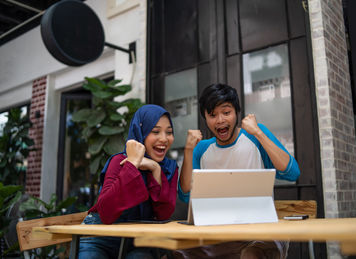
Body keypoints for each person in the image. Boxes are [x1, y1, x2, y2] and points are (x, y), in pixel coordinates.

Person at [176, 83, 300, 259]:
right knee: (177, 255)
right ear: (205, 117)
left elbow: (292, 172)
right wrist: (188, 151)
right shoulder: (201, 149)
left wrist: (258, 132)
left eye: (226, 113)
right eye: (212, 115)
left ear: (237, 112)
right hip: (221, 236)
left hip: (263, 232)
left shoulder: (254, 136)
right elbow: (186, 195)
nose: (220, 120)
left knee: (251, 254)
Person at [78, 104, 178, 259]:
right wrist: (132, 164)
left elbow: (163, 215)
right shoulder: (119, 161)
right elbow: (106, 213)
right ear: (140, 133)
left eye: (169, 132)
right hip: (99, 236)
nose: (164, 139)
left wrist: (155, 169)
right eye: (156, 131)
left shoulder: (169, 168)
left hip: (138, 240)